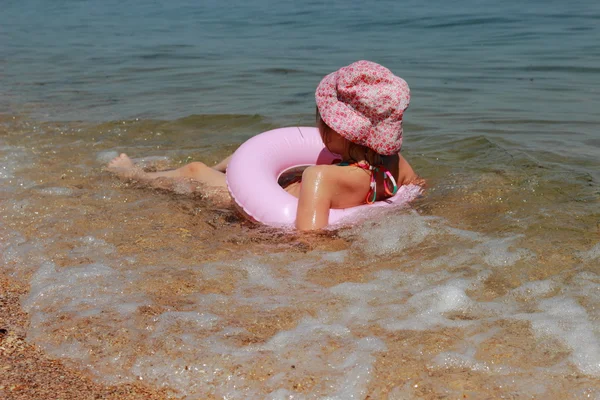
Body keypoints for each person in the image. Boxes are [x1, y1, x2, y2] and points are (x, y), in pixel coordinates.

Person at [107, 60, 422, 230]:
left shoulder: (320, 178)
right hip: (299, 189)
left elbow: (309, 238)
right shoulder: (396, 164)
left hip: (260, 205)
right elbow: (418, 189)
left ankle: (133, 176)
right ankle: (226, 166)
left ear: (333, 127)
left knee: (195, 170)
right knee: (241, 159)